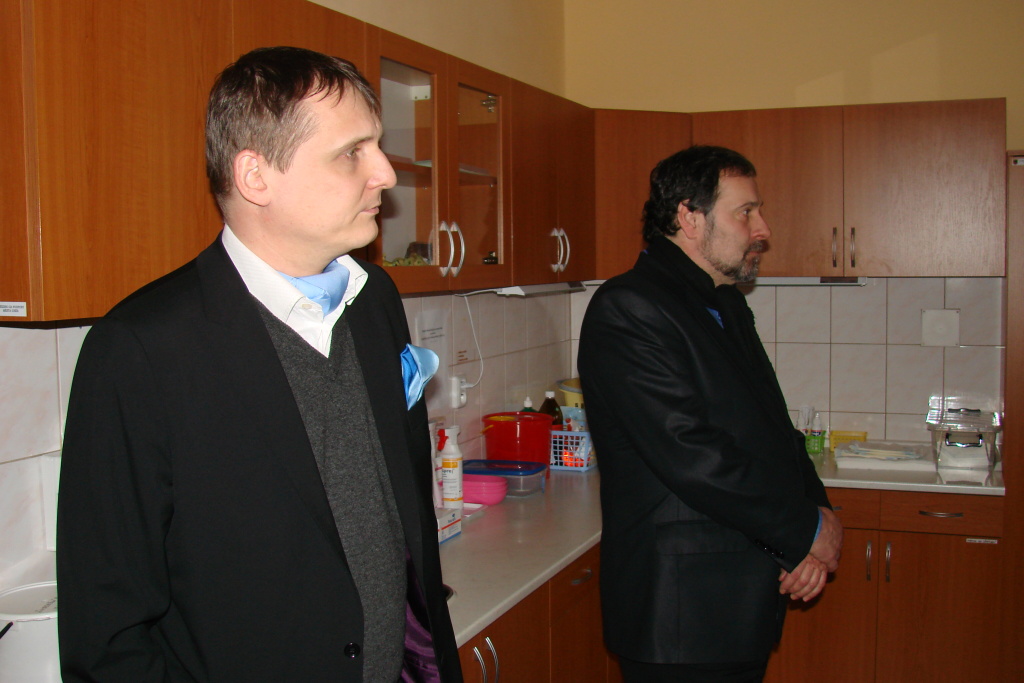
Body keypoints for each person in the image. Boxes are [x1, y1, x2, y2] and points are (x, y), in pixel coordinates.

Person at [56, 46, 461, 683]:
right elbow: (108, 631)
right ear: (256, 177)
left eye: (377, 146)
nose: (384, 173)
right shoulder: (140, 350)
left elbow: (405, 530)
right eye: (351, 152)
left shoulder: (375, 299)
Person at [578, 145, 843, 682]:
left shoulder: (724, 302)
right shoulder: (628, 307)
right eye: (745, 212)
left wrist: (819, 516)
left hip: (738, 599)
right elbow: (693, 456)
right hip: (681, 616)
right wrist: (805, 530)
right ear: (689, 217)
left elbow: (774, 428)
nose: (762, 229)